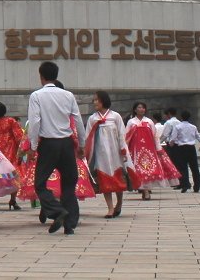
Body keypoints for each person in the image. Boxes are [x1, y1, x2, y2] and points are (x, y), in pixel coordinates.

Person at [27, 61, 84, 236]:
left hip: (49, 144)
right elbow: (78, 121)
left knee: (40, 183)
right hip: (66, 143)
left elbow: (35, 122)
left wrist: (33, 145)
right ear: (56, 75)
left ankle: (56, 210)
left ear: (41, 76)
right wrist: (81, 144)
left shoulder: (36, 96)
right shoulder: (68, 95)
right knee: (69, 182)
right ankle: (70, 224)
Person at [84, 91, 128, 219]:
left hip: (115, 153)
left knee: (118, 179)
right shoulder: (93, 118)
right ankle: (110, 208)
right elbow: (88, 137)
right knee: (104, 180)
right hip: (100, 154)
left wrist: (123, 149)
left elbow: (121, 134)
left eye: (97, 99)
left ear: (103, 100)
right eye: (94, 100)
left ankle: (119, 203)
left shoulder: (115, 116)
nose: (95, 102)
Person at [125, 101, 179, 199]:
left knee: (148, 170)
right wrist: (124, 150)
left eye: (143, 108)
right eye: (139, 107)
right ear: (135, 110)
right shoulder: (131, 122)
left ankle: (146, 190)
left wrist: (158, 149)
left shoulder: (149, 122)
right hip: (135, 151)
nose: (141, 109)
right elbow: (126, 136)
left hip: (148, 150)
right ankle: (143, 189)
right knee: (138, 171)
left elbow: (155, 137)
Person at [0, 102, 24, 211]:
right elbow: (19, 136)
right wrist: (22, 150)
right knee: (14, 175)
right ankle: (13, 200)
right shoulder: (11, 121)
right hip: (10, 152)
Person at [169, 110, 200, 192]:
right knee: (194, 168)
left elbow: (173, 138)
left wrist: (171, 144)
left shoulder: (178, 127)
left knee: (183, 167)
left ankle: (185, 185)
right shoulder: (193, 127)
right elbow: (198, 137)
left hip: (181, 148)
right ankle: (197, 186)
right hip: (191, 148)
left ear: (181, 117)